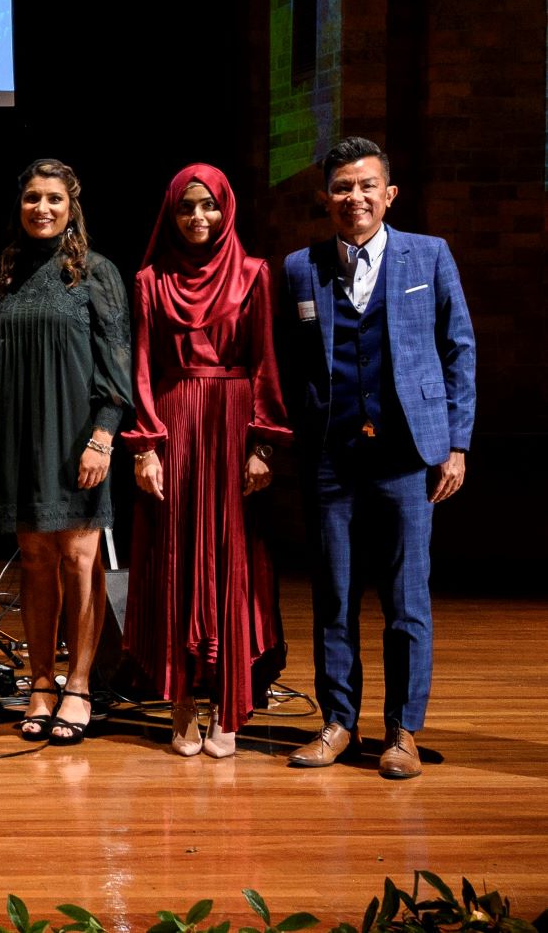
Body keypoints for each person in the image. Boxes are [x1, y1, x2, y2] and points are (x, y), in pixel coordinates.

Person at [279, 137, 475, 780]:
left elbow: (458, 351)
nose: (353, 197)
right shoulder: (300, 268)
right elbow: (288, 361)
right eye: (341, 187)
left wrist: (456, 442)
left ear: (388, 195)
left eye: (366, 186)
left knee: (405, 599)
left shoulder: (430, 255)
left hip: (406, 454)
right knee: (334, 595)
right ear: (325, 197)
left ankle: (402, 731)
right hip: (332, 455)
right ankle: (338, 722)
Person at [122, 164, 292, 759]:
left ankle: (230, 701)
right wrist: (145, 446)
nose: (199, 218)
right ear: (171, 214)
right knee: (174, 560)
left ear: (227, 209)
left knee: (231, 559)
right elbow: (139, 366)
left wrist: (263, 444)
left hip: (232, 423)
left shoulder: (254, 275)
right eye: (186, 209)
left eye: (209, 207)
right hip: (173, 425)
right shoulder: (149, 280)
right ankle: (180, 704)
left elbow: (268, 361)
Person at [0, 158, 132, 746]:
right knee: (37, 560)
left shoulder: (96, 273)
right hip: (20, 436)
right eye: (31, 199)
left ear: (72, 208)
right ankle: (40, 680)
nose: (41, 209)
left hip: (78, 437)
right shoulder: (7, 272)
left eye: (53, 199)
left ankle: (79, 684)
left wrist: (103, 435)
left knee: (78, 558)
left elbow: (117, 364)